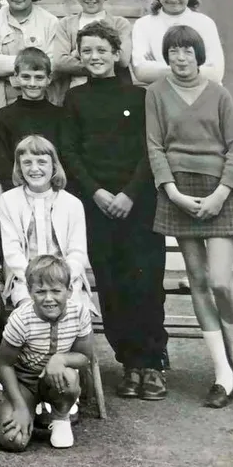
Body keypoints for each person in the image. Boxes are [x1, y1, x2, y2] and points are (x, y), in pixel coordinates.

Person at [61, 20, 167, 400]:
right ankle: (129, 363)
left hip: (138, 205)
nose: (95, 57)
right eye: (87, 51)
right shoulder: (75, 99)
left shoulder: (139, 96)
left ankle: (151, 363)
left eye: (102, 50)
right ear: (79, 56)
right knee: (111, 286)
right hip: (97, 206)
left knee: (144, 282)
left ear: (116, 54)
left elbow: (150, 149)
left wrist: (129, 194)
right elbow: (69, 151)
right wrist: (97, 193)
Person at [145, 24, 233, 408]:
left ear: (198, 55)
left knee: (220, 281)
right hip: (178, 192)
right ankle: (222, 375)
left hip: (221, 192)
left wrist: (221, 194)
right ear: (166, 56)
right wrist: (173, 193)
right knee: (198, 281)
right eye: (174, 51)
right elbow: (155, 147)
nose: (180, 57)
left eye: (187, 50)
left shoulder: (219, 93)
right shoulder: (156, 92)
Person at [0, 256, 94, 451]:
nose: (48, 298)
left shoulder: (80, 313)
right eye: (40, 291)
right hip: (24, 381)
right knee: (14, 440)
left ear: (69, 290)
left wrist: (60, 359)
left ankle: (61, 418)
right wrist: (20, 407)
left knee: (69, 377)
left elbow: (84, 357)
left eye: (56, 291)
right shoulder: (21, 319)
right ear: (30, 291)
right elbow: (4, 364)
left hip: (55, 379)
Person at [0, 136, 92, 315]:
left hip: (66, 281)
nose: (34, 169)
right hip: (26, 281)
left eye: (42, 162)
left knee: (71, 313)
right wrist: (34, 280)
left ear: (54, 166)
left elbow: (77, 253)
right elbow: (12, 251)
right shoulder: (8, 200)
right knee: (31, 314)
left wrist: (61, 280)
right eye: (27, 163)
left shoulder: (72, 203)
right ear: (19, 167)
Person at [131, 0, 226, 87]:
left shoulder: (205, 23)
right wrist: (195, 69)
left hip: (203, 92)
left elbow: (215, 73)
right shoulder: (143, 25)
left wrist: (158, 67)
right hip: (165, 93)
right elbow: (142, 72)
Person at [50, 0, 133, 101]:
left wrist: (76, 55)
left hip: (113, 94)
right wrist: (103, 61)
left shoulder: (119, 24)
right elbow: (60, 62)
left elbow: (123, 60)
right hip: (75, 95)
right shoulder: (65, 24)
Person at [0, 48, 62, 193]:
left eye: (39, 77)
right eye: (26, 77)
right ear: (16, 77)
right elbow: (4, 165)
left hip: (55, 193)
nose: (32, 83)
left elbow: (64, 160)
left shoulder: (60, 116)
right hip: (18, 194)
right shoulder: (4, 116)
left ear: (49, 78)